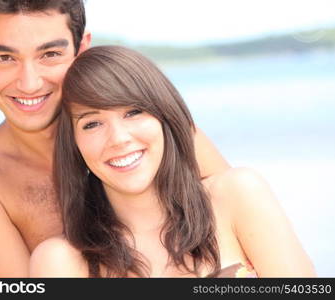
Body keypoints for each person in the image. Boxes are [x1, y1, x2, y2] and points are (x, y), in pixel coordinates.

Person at [0, 0, 230, 277]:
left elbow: (240, 241)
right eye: (5, 58)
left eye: (50, 54)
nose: (29, 83)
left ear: (81, 47)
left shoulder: (153, 133)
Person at [29, 46, 316, 277]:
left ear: (166, 116)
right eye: (92, 124)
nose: (118, 138)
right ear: (74, 145)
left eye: (133, 112)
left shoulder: (236, 196)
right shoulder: (61, 261)